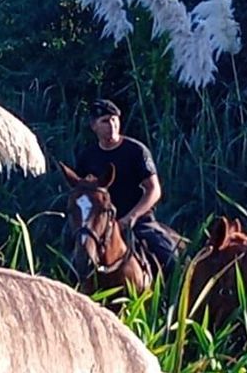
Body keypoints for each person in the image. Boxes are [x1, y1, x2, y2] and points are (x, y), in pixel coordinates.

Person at [74, 99, 180, 274]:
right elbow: (82, 193)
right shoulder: (87, 156)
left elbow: (154, 189)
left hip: (137, 221)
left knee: (171, 258)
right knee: (70, 258)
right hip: (99, 225)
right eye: (105, 121)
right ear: (94, 126)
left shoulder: (136, 151)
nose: (112, 125)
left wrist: (132, 217)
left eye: (114, 119)